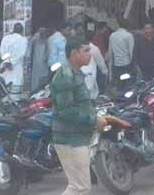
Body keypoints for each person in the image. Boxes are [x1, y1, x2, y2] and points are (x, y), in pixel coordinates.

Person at [50, 36, 109, 195]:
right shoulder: (65, 76)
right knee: (81, 187)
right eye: (86, 51)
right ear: (74, 54)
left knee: (77, 186)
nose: (90, 54)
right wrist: (93, 120)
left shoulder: (76, 73)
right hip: (69, 139)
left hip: (76, 137)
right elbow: (66, 111)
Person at [0, 23, 28, 98]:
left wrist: (7, 62)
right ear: (22, 31)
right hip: (16, 68)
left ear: (13, 29)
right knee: (15, 93)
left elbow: (2, 52)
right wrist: (11, 62)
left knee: (4, 91)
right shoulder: (23, 40)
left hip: (5, 68)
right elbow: (22, 54)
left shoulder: (5, 38)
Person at [107, 18, 135, 85]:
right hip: (127, 64)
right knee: (128, 85)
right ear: (127, 26)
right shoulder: (129, 35)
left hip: (116, 65)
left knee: (120, 85)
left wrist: (110, 72)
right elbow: (131, 52)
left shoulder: (112, 35)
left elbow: (110, 54)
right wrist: (133, 66)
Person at [27, 27, 50, 92]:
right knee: (36, 80)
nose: (43, 34)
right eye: (41, 32)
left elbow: (47, 54)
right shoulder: (35, 40)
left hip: (42, 65)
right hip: (36, 64)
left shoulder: (46, 42)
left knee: (42, 80)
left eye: (44, 32)